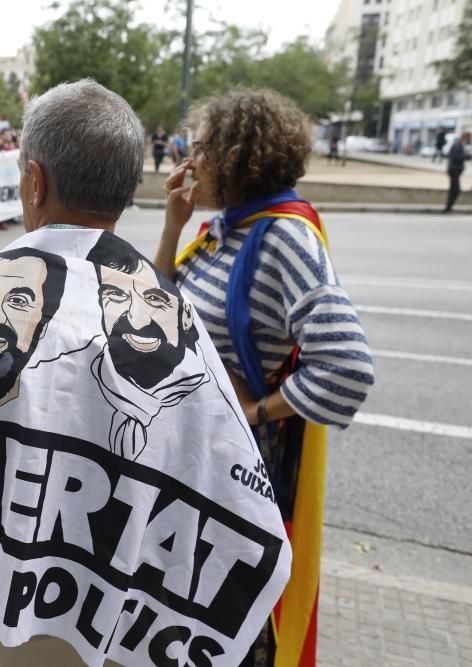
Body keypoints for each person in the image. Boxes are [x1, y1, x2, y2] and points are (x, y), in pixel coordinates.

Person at [0, 80, 291, 667]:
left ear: (34, 180)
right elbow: (226, 493)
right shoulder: (175, 324)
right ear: (128, 189)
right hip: (110, 636)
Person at [153, 89, 375, 666]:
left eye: (199, 146)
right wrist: (172, 226)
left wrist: (253, 413)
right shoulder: (229, 230)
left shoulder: (282, 238)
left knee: (227, 620)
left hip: (235, 474)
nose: (189, 158)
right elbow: (155, 316)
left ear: (234, 156)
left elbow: (346, 368)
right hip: (194, 461)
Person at [444, 131, 471, 213]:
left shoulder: (459, 144)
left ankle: (448, 207)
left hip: (454, 170)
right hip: (454, 170)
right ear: (466, 137)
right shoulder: (457, 145)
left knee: (454, 189)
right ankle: (448, 207)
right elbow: (456, 157)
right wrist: (468, 156)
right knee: (455, 190)